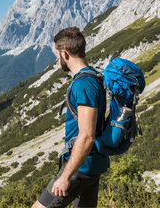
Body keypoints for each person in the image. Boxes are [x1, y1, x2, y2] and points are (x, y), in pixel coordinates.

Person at [31, 27, 109, 208]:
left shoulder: (84, 84)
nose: (58, 59)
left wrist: (65, 176)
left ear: (64, 53)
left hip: (81, 167)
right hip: (92, 164)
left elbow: (87, 136)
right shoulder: (93, 77)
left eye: (57, 55)